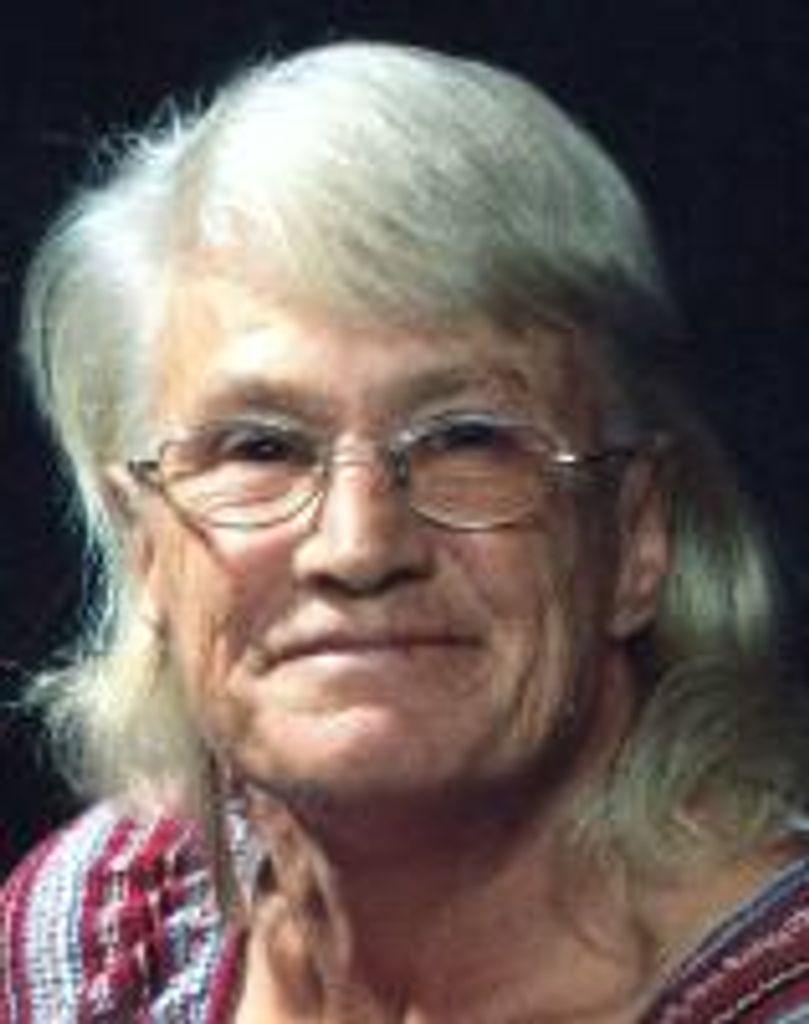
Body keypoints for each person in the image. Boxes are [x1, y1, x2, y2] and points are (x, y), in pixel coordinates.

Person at [2, 40, 809, 1023]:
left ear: (635, 532)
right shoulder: (99, 933)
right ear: (145, 549)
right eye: (259, 447)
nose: (357, 548)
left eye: (464, 439)